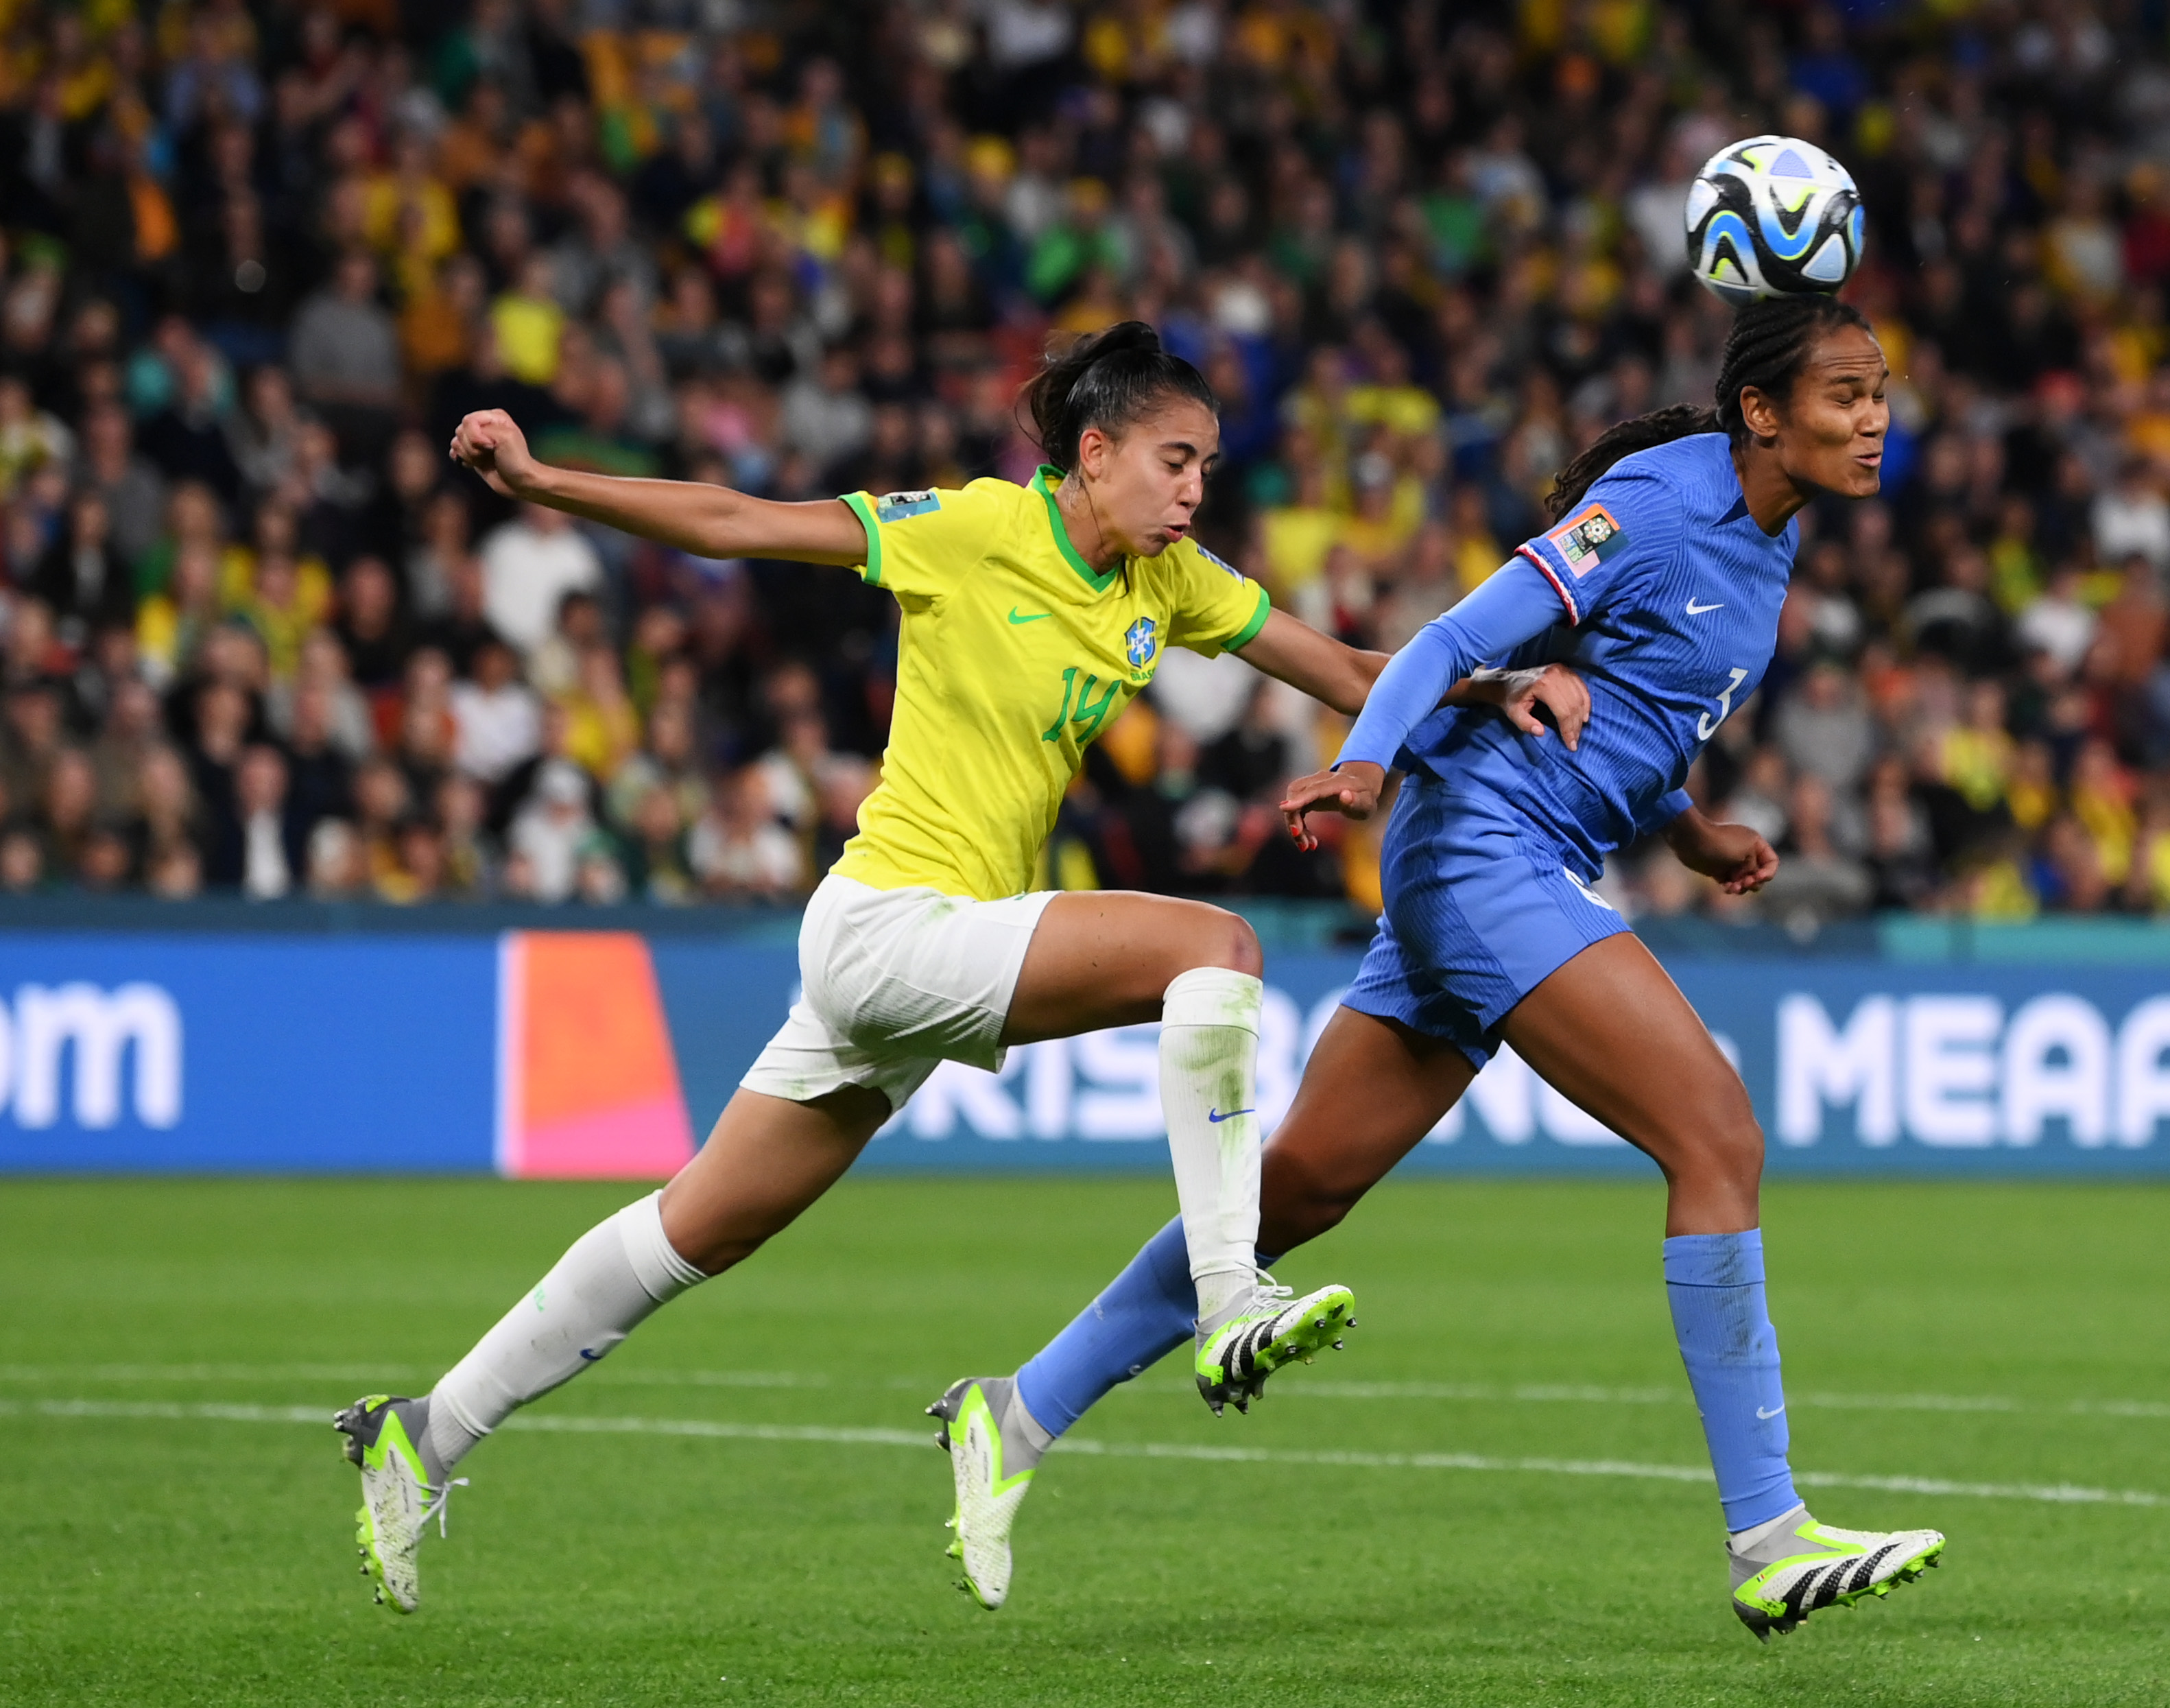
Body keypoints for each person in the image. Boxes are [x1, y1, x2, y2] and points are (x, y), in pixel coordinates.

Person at [331, 322, 1586, 1615]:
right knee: (1216, 949)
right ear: (1093, 456)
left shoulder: (1174, 580)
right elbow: (736, 520)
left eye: (1206, 465)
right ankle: (1226, 1297)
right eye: (1172, 461)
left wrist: (1487, 688)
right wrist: (547, 485)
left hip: (924, 963)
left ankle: (421, 1431)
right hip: (887, 924)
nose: (1195, 491)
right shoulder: (976, 526)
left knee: (695, 1226)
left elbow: (1349, 673)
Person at [952, 297, 1946, 1638]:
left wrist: (1691, 831)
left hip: (1504, 858)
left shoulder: (1769, 537)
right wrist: (1364, 758)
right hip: (1480, 850)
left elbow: (1630, 710)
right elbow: (1447, 642)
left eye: (1877, 391)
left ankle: (1013, 1413)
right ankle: (1767, 1536)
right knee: (1716, 1136)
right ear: (1761, 414)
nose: (1871, 417)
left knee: (1294, 1190)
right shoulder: (1654, 505)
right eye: (1842, 393)